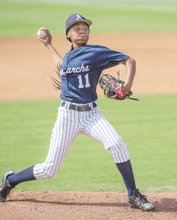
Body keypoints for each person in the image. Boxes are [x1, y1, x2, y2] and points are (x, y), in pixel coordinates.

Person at [0, 14, 155, 211]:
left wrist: (126, 86)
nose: (82, 30)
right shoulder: (69, 57)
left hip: (92, 115)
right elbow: (62, 66)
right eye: (77, 28)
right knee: (49, 169)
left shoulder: (96, 52)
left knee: (117, 144)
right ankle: (10, 180)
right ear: (68, 35)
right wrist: (48, 44)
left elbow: (130, 61)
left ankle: (133, 194)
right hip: (67, 117)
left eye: (85, 28)